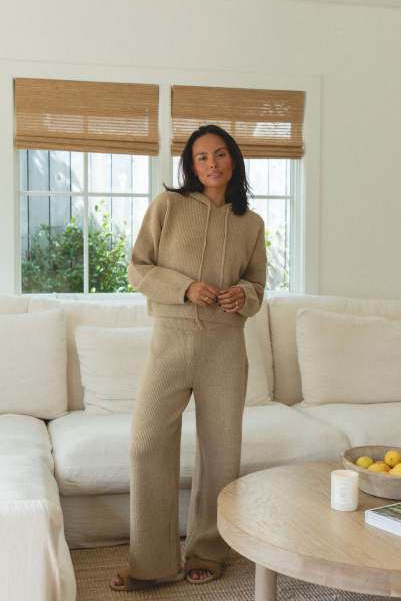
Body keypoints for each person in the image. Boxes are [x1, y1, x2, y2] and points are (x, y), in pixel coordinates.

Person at [110, 124, 267, 592]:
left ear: (233, 160)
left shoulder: (251, 223)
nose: (212, 164)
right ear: (191, 165)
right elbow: (138, 268)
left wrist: (243, 295)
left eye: (220, 154)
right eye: (202, 157)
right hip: (171, 343)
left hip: (225, 348)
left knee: (221, 453)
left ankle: (208, 552)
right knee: (145, 444)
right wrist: (184, 288)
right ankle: (152, 564)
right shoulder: (168, 206)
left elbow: (258, 285)